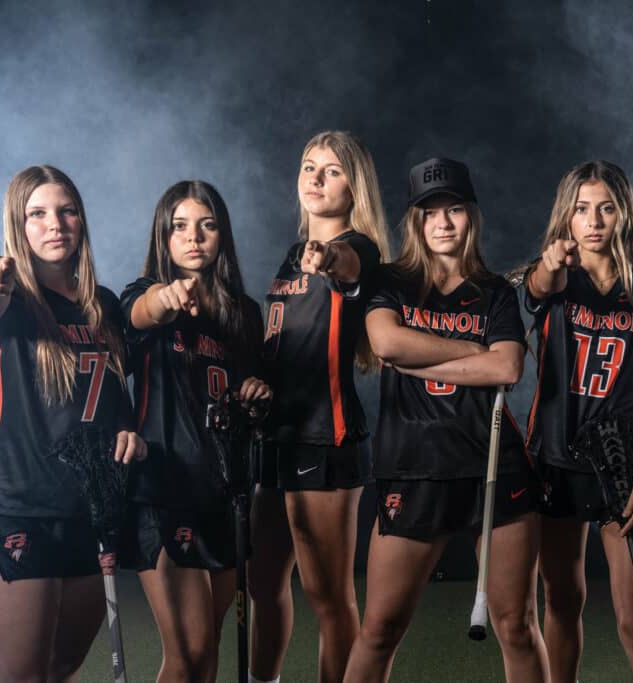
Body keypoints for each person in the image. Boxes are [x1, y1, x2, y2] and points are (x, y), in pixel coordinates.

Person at [343, 158, 548, 682]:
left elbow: (507, 367)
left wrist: (422, 359)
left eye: (453, 209)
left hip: (493, 467)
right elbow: (387, 343)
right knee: (380, 629)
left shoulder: (495, 292)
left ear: (470, 215)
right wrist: (470, 350)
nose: (442, 222)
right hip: (414, 467)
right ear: (414, 220)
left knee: (517, 625)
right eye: (429, 212)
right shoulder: (391, 281)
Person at [0, 165, 146, 681]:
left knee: (62, 670)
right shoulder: (9, 299)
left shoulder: (103, 306)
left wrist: (128, 433)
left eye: (66, 212)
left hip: (88, 510)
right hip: (14, 507)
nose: (55, 224)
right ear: (17, 226)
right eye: (37, 214)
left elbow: (114, 400)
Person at [522, 160, 633, 682]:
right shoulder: (554, 275)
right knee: (562, 600)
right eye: (582, 209)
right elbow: (538, 286)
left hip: (622, 463)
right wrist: (552, 264)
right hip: (556, 457)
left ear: (624, 214)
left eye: (606, 208)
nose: (593, 221)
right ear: (566, 216)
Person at [249, 130, 390, 683]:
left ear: (355, 187)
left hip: (325, 439)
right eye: (309, 166)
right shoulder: (291, 255)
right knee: (263, 584)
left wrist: (329, 257)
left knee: (328, 597)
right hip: (276, 437)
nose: (315, 178)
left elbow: (348, 265)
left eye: (332, 171)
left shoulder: (361, 249)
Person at [121, 180, 270, 682]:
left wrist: (256, 392)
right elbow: (144, 311)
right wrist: (167, 297)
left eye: (207, 225)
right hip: (165, 490)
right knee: (189, 652)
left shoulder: (243, 312)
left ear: (222, 234)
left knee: (207, 655)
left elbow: (248, 389)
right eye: (179, 226)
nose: (194, 237)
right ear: (163, 236)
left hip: (224, 492)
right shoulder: (143, 294)